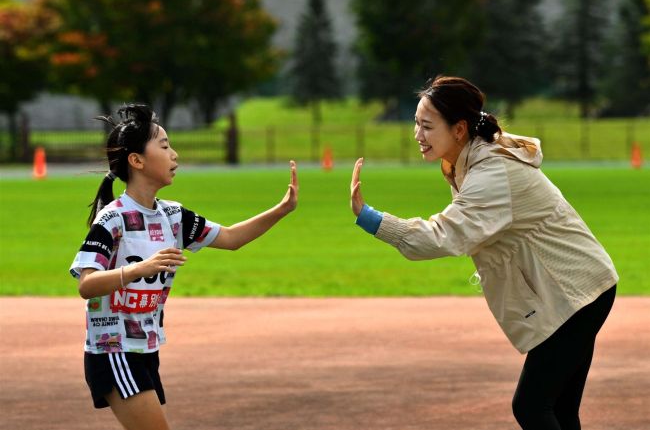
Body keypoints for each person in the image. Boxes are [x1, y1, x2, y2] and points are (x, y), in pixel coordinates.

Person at [350, 75, 618, 430]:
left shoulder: (492, 171)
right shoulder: (470, 161)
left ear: (459, 129)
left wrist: (370, 218)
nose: (417, 134)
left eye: (427, 126)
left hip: (575, 293)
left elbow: (443, 235)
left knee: (532, 406)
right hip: (579, 287)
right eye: (416, 123)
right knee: (559, 410)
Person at [69, 104, 298, 430]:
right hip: (114, 349)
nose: (174, 155)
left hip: (145, 348)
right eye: (164, 146)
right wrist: (139, 269)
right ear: (137, 161)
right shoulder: (113, 218)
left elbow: (231, 238)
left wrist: (282, 209)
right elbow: (86, 284)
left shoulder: (173, 216)